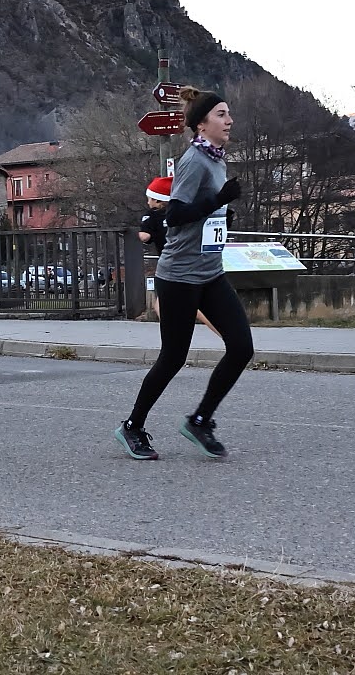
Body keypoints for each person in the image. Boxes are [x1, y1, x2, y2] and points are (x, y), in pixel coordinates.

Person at [116, 86, 253, 461]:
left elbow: (203, 214)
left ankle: (200, 420)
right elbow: (173, 216)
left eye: (228, 114)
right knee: (173, 357)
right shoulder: (194, 161)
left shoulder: (216, 159)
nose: (230, 120)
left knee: (242, 347)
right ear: (202, 123)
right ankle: (132, 427)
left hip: (210, 273)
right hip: (178, 276)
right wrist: (218, 200)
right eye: (222, 114)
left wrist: (222, 214)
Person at [140, 176, 221, 338]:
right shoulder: (182, 211)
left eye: (150, 198)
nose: (148, 202)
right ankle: (174, 338)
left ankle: (223, 333)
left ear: (158, 201)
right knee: (162, 305)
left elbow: (144, 237)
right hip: (193, 260)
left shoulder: (152, 216)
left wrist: (143, 231)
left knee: (191, 307)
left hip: (173, 267)